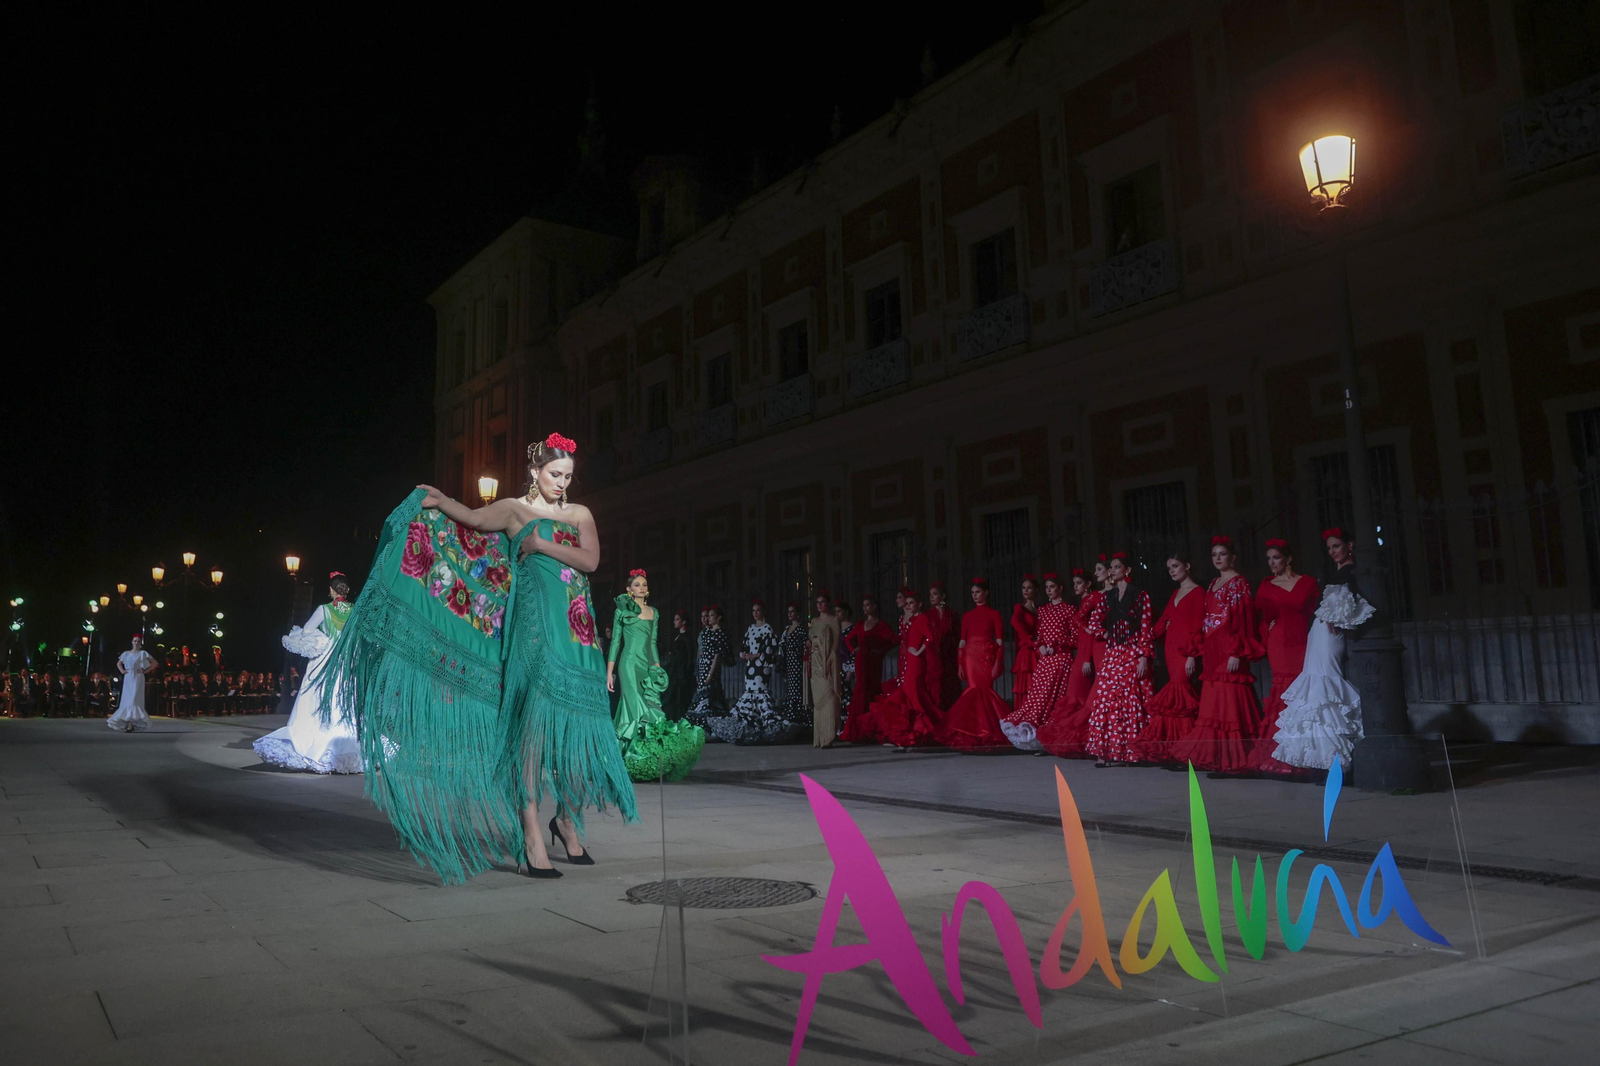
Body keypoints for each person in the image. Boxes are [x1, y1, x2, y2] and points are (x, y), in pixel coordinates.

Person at [320, 433, 637, 883]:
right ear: (535, 471)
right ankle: (530, 836)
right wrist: (440, 499)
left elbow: (591, 560)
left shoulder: (580, 513)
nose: (561, 483)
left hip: (578, 629)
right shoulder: (512, 509)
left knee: (576, 726)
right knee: (531, 727)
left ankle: (566, 818)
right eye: (554, 474)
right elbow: (470, 519)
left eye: (567, 476)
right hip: (531, 629)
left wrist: (540, 545)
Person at [1271, 528, 1373, 769]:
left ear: (1350, 545)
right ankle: (1325, 759)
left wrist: (1342, 620)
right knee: (1316, 684)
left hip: (1331, 633)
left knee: (1327, 684)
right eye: (1329, 548)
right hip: (1317, 631)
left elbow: (1359, 604)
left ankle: (1340, 759)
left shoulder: (1354, 571)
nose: (1332, 552)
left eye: (1336, 546)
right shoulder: (1333, 572)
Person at [1172, 535, 1267, 775]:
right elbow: (1206, 620)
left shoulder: (1240, 583)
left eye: (1222, 554)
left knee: (1230, 702)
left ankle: (1235, 761)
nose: (1217, 558)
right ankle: (1219, 758)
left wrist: (1237, 652)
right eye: (1214, 555)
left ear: (1232, 557)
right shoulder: (1214, 583)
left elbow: (1243, 620)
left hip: (1230, 649)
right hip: (1213, 649)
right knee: (1214, 704)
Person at [253, 573, 363, 773]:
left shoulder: (324, 609)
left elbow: (306, 631)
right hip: (345, 661)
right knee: (343, 701)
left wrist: (321, 639)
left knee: (317, 700)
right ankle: (345, 748)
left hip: (325, 661)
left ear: (332, 590)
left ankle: (313, 745)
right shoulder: (354, 611)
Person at [607, 569, 705, 781]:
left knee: (652, 706)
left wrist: (657, 668)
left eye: (644, 584)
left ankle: (647, 759)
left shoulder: (654, 612)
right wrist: (609, 672)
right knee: (634, 708)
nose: (641, 587)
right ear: (628, 589)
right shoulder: (622, 611)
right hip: (628, 664)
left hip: (646, 665)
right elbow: (615, 642)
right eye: (636, 584)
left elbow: (652, 644)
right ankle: (630, 758)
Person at [1251, 539, 1320, 775]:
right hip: (1279, 642)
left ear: (1288, 559)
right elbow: (1260, 618)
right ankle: (1279, 758)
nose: (1271, 563)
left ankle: (1304, 754)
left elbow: (1315, 613)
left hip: (1303, 641)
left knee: (1303, 693)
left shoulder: (1308, 583)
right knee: (1284, 692)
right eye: (1268, 558)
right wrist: (1266, 633)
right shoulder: (1266, 586)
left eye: (1276, 558)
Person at [1131, 553, 1205, 765]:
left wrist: (1192, 655)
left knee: (1181, 698)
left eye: (1175, 566)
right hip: (1171, 650)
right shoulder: (1175, 593)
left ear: (1187, 566)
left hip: (1185, 651)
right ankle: (1175, 749)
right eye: (1169, 567)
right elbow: (1162, 623)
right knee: (1175, 699)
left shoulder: (1199, 593)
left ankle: (1187, 750)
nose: (1172, 570)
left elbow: (1199, 626)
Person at [1082, 553, 1153, 767]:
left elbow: (1146, 626)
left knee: (1130, 699)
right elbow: (1093, 621)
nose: (1112, 570)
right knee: (1107, 699)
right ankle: (1105, 751)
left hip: (1132, 652)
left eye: (1116, 567)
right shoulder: (1107, 596)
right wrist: (1104, 634)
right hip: (1113, 654)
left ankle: (1131, 752)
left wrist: (1143, 656)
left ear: (1127, 570)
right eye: (1110, 567)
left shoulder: (1140, 595)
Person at [1001, 573, 1075, 752]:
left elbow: (1076, 637)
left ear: (1060, 588)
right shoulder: (1043, 610)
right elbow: (1039, 635)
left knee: (1056, 699)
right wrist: (1039, 646)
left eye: (1052, 587)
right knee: (1038, 699)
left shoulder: (1069, 609)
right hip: (1045, 660)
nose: (1049, 590)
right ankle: (1039, 737)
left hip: (1061, 659)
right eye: (1047, 587)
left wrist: (1058, 645)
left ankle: (1052, 738)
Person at [706, 599, 796, 743]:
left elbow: (771, 650)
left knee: (760, 691)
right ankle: (749, 720)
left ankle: (765, 721)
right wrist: (744, 654)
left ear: (763, 612)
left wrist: (754, 656)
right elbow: (744, 645)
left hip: (761, 666)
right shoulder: (750, 628)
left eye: (758, 610)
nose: (755, 613)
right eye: (753, 611)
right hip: (750, 667)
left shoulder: (767, 629)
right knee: (750, 691)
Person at [938, 578, 1011, 750]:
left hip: (986, 657)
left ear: (986, 593)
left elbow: (1000, 641)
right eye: (972, 593)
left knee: (984, 691)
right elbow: (962, 642)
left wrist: (998, 662)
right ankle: (972, 732)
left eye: (978, 592)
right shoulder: (967, 616)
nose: (975, 596)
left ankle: (988, 731)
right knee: (972, 690)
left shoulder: (994, 614)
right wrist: (961, 664)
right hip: (970, 657)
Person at [840, 595, 897, 743]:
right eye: (863, 605)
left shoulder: (881, 625)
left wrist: (880, 651)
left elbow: (894, 639)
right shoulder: (860, 624)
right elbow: (847, 639)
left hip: (873, 662)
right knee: (860, 690)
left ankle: (871, 730)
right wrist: (854, 649)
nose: (865, 608)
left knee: (872, 691)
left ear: (875, 606)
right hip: (861, 661)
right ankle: (857, 731)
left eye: (868, 605)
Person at [685, 605, 730, 728]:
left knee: (710, 697)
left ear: (718, 617)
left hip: (711, 668)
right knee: (703, 697)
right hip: (703, 667)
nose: (708, 618)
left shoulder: (719, 632)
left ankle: (710, 726)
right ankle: (703, 725)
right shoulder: (709, 632)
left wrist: (710, 674)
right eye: (707, 616)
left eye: (711, 616)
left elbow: (717, 655)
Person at [807, 591, 842, 747]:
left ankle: (829, 736)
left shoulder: (834, 620)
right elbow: (811, 640)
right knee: (818, 702)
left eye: (822, 602)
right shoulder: (814, 621)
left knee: (829, 698)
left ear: (828, 604)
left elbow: (835, 644)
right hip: (814, 662)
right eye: (817, 602)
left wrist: (829, 662)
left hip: (828, 661)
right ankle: (819, 737)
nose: (820, 605)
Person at [108, 635, 155, 732]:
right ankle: (129, 723)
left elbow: (154, 663)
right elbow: (118, 663)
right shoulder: (126, 654)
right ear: (132, 642)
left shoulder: (143, 653)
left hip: (138, 677)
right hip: (129, 677)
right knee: (128, 699)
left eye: (138, 641)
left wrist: (145, 671)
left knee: (134, 699)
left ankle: (131, 722)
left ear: (140, 642)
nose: (136, 643)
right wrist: (122, 671)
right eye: (135, 641)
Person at [926, 581, 960, 710]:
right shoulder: (927, 616)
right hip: (933, 656)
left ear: (943, 596)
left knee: (950, 687)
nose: (932, 597)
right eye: (930, 595)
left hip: (949, 657)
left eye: (935, 594)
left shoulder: (952, 615)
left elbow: (957, 636)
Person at [777, 602, 809, 729]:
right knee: (789, 688)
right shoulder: (786, 629)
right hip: (788, 662)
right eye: (788, 612)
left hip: (797, 661)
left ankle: (798, 715)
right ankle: (791, 714)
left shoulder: (801, 629)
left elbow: (807, 643)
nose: (790, 614)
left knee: (796, 688)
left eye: (793, 611)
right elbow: (781, 645)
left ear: (798, 614)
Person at [1010, 575, 1039, 709]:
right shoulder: (1019, 607)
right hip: (1027, 651)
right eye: (1023, 588)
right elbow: (1014, 622)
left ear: (1035, 590)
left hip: (1038, 650)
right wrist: (1028, 638)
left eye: (1029, 588)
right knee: (1028, 684)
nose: (1025, 590)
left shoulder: (1039, 608)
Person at [661, 608, 694, 721]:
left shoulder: (687, 637)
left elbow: (689, 657)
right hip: (674, 671)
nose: (674, 622)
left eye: (677, 619)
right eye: (674, 619)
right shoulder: (678, 637)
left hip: (681, 673)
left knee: (678, 699)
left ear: (683, 621)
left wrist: (686, 673)